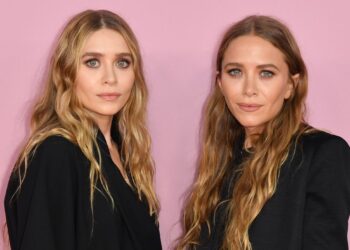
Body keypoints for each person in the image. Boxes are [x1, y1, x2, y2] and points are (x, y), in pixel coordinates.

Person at [177, 15, 350, 250]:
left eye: (266, 73)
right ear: (220, 82)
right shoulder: (221, 161)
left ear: (291, 85)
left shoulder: (323, 154)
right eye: (235, 72)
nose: (249, 89)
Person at [4, 9, 162, 250]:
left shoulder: (126, 153)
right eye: (92, 62)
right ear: (66, 72)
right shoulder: (55, 153)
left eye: (122, 62)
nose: (110, 77)